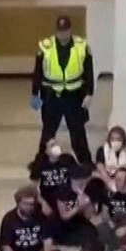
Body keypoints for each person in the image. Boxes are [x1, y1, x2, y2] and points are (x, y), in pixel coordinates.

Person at [32, 15, 95, 166]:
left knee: (78, 130)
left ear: (70, 30)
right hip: (52, 94)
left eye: (65, 31)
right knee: (48, 130)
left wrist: (89, 93)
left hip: (74, 94)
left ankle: (85, 162)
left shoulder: (82, 46)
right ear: (56, 31)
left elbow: (89, 73)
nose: (63, 34)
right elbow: (37, 72)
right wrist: (35, 93)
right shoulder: (45, 47)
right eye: (60, 31)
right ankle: (42, 161)